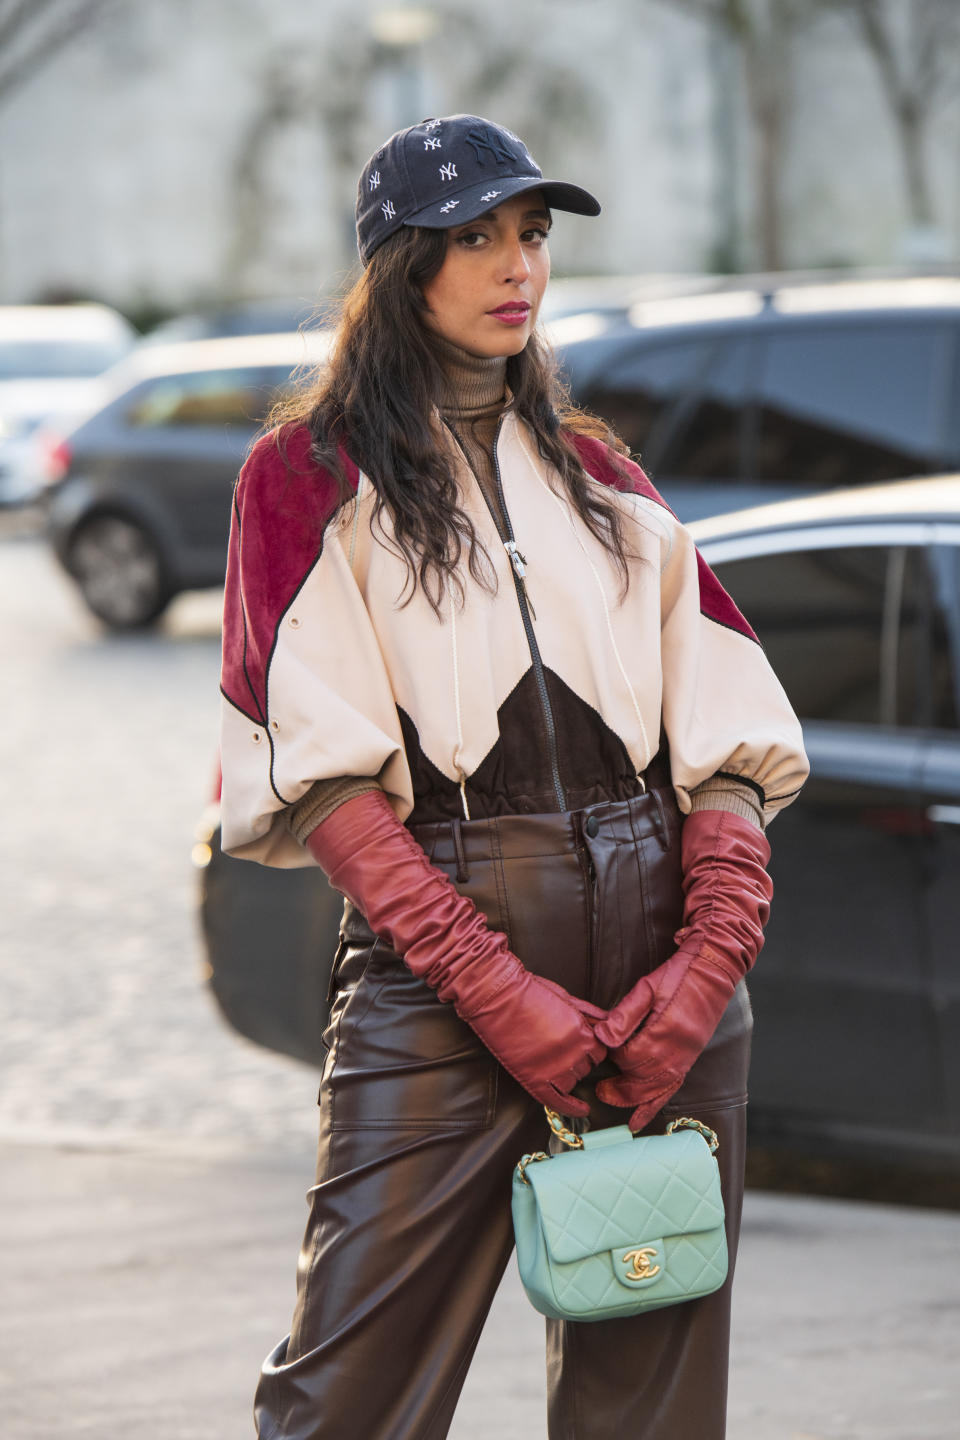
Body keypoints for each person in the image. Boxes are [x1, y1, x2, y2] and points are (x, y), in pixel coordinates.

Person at [219, 114, 809, 1440]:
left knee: (651, 1410)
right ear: (400, 263)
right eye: (476, 235)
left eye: (531, 233)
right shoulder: (305, 480)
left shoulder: (604, 478)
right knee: (345, 1401)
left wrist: (703, 972)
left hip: (668, 976)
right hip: (440, 992)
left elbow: (727, 747)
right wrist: (502, 996)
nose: (516, 264)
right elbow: (325, 786)